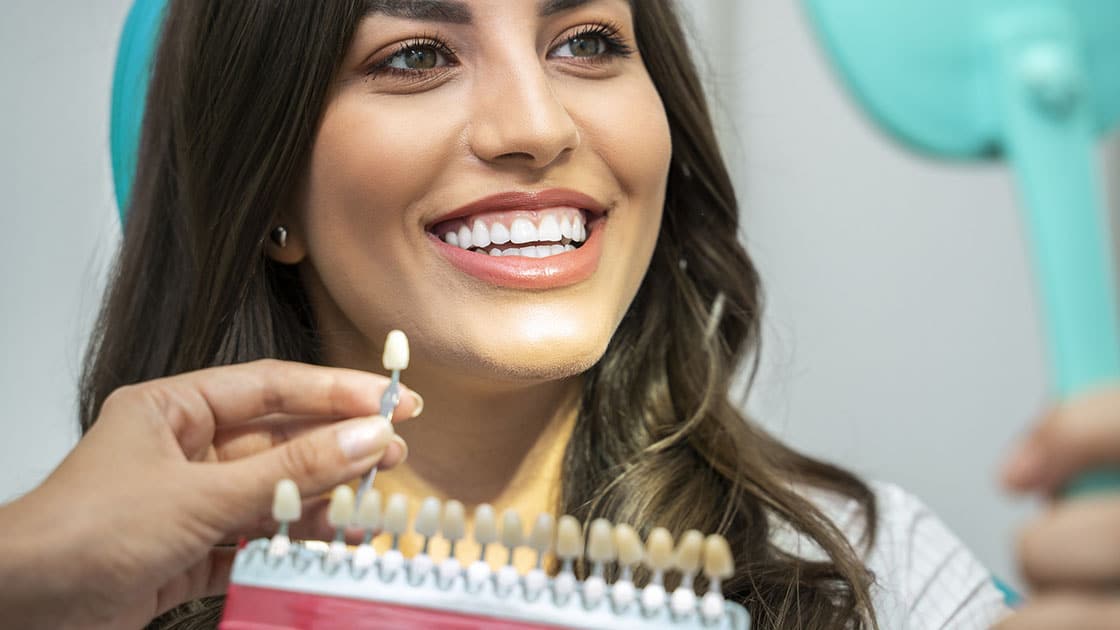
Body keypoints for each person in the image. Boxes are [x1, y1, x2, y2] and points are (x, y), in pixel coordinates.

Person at [2, 0, 1119, 628]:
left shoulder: (868, 577)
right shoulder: (77, 597)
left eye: (586, 42)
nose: (533, 124)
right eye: (416, 55)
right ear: (266, 197)